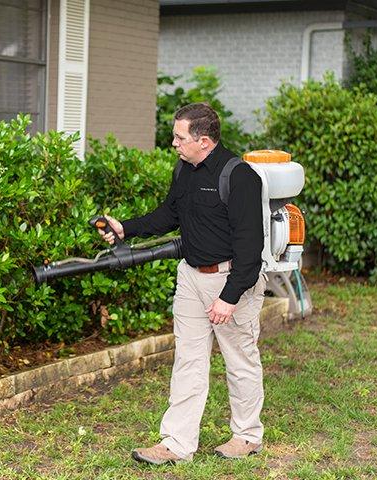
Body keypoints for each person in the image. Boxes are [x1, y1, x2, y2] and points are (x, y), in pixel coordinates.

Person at [98, 102, 266, 464]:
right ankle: (177, 443)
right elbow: (169, 215)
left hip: (231, 278)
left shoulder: (240, 178)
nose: (173, 143)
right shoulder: (184, 170)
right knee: (188, 361)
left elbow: (251, 249)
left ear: (203, 141)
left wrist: (229, 296)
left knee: (240, 360)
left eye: (178, 137)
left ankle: (247, 435)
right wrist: (126, 228)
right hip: (191, 277)